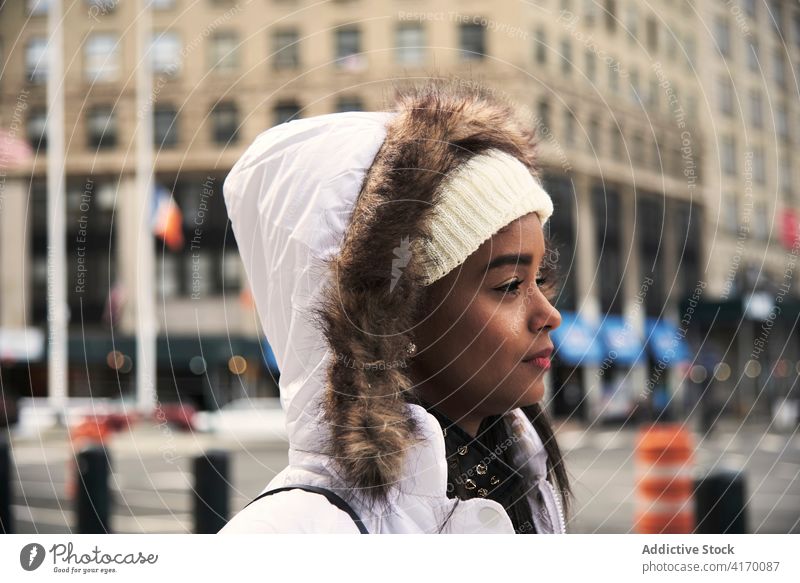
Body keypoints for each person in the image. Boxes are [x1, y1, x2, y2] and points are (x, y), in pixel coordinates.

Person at [218, 77, 572, 534]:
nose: (549, 314)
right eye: (509, 284)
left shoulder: (523, 478)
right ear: (394, 319)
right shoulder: (290, 536)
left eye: (540, 278)